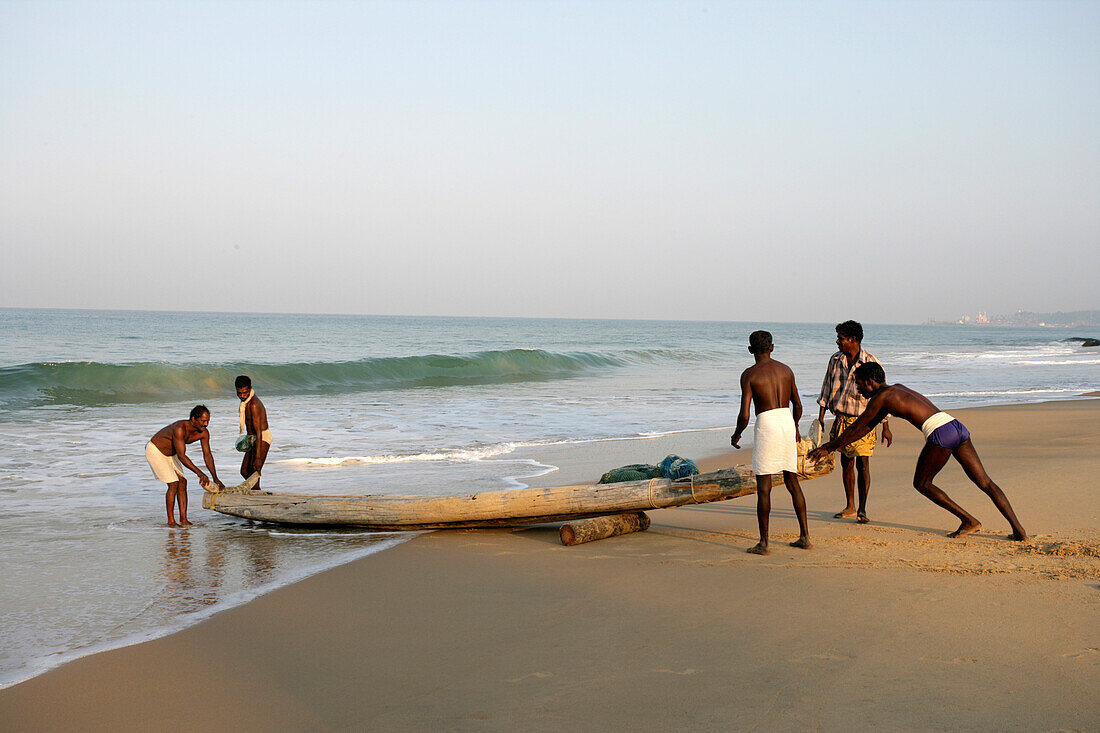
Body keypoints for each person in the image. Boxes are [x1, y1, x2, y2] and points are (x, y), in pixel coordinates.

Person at [808, 363, 1028, 541]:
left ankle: (969, 521)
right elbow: (868, 425)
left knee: (922, 484)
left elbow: (861, 427)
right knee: (985, 482)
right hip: (955, 425)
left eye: (859, 385)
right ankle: (1018, 530)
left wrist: (829, 446)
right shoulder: (897, 387)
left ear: (869, 382)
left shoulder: (880, 398)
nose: (858, 390)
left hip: (940, 433)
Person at [730, 331, 812, 555]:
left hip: (766, 423)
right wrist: (794, 427)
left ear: (750, 350)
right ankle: (804, 536)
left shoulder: (749, 374)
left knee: (764, 487)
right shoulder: (786, 370)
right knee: (792, 480)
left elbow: (745, 414)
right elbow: (799, 405)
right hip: (786, 420)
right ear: (772, 347)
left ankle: (764, 543)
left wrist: (737, 434)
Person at [817, 320, 893, 524]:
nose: (837, 342)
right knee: (846, 463)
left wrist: (886, 425)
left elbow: (881, 394)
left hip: (865, 421)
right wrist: (821, 418)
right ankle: (850, 505)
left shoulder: (870, 361)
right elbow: (826, 388)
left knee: (863, 464)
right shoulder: (834, 360)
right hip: (841, 419)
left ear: (853, 340)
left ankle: (862, 509)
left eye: (841, 338)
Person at [146, 405, 224, 526]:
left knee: (182, 482)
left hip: (172, 453)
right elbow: (182, 456)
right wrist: (200, 474)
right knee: (173, 484)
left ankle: (184, 520)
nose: (206, 424)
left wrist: (215, 478)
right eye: (203, 421)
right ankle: (171, 521)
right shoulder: (180, 428)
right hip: (156, 450)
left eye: (208, 421)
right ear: (193, 419)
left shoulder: (204, 433)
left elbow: (207, 455)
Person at [235, 375, 271, 490]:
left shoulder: (253, 405)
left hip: (262, 437)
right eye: (239, 393)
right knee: (245, 471)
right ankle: (256, 492)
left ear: (250, 389)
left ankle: (258, 496)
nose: (242, 396)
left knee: (254, 470)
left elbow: (259, 432)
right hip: (253, 438)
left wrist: (258, 457)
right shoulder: (245, 402)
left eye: (245, 393)